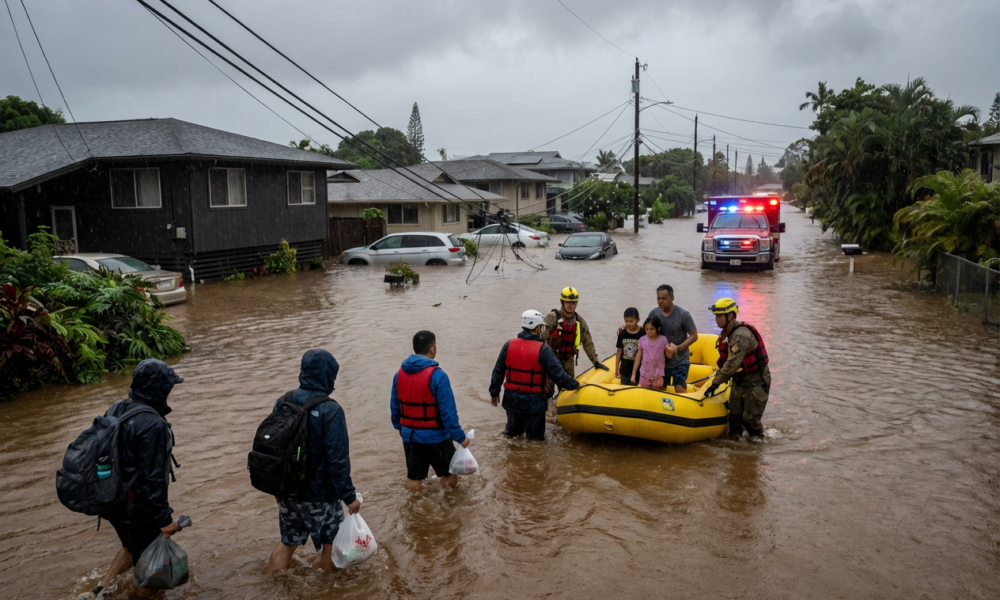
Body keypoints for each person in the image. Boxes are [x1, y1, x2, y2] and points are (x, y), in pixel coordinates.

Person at [83, 359, 183, 600]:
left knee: (131, 547)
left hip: (112, 499)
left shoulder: (118, 407)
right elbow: (153, 477)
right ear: (159, 389)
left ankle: (99, 591)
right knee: (152, 567)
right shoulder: (153, 424)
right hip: (136, 507)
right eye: (168, 386)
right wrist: (164, 519)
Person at [263, 349, 361, 574]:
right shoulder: (331, 410)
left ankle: (269, 585)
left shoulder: (283, 401)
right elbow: (337, 460)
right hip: (319, 495)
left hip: (286, 489)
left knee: (288, 542)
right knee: (332, 544)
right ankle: (327, 591)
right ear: (329, 376)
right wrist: (349, 497)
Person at [390, 330, 470, 490]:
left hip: (410, 436)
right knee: (450, 476)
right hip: (436, 437)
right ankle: (448, 510)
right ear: (432, 348)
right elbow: (448, 413)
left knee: (414, 478)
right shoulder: (438, 376)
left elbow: (394, 406)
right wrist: (460, 437)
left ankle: (416, 511)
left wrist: (400, 428)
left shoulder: (399, 375)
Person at [490, 310, 581, 440]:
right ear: (538, 328)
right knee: (535, 441)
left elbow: (498, 371)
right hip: (534, 402)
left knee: (512, 436)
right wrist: (576, 385)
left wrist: (494, 393)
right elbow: (559, 375)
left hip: (511, 400)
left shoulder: (508, 345)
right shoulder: (543, 349)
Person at [703, 298, 772, 443]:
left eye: (719, 316)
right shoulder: (727, 334)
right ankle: (735, 451)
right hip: (740, 380)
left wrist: (715, 383)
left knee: (750, 419)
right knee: (734, 418)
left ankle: (757, 448)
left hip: (756, 381)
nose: (716, 319)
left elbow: (732, 363)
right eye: (715, 315)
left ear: (730, 316)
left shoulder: (740, 335)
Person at [543, 286, 608, 378]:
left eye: (573, 303)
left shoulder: (579, 321)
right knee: (548, 390)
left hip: (568, 360)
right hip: (552, 358)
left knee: (569, 388)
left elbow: (587, 342)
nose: (571, 305)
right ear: (562, 302)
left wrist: (595, 361)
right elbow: (540, 339)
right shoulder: (552, 317)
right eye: (568, 302)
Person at [646, 285, 698, 393]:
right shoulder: (654, 313)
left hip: (680, 360)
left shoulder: (683, 314)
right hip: (660, 361)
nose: (661, 301)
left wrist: (678, 348)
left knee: (679, 389)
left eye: (664, 298)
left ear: (672, 298)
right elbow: (645, 332)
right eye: (658, 298)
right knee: (659, 390)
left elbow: (694, 335)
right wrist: (627, 329)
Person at [632, 316, 670, 390]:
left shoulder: (663, 340)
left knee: (655, 394)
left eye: (652, 329)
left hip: (658, 374)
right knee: (645, 393)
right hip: (644, 373)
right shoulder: (642, 340)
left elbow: (668, 356)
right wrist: (633, 374)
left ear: (658, 328)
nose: (649, 331)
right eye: (647, 329)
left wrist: (670, 352)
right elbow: (638, 357)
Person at [615, 307, 643, 385]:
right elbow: (619, 352)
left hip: (639, 369)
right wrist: (616, 368)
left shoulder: (642, 333)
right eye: (626, 321)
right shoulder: (622, 333)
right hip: (625, 369)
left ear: (638, 320)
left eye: (631, 321)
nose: (628, 323)